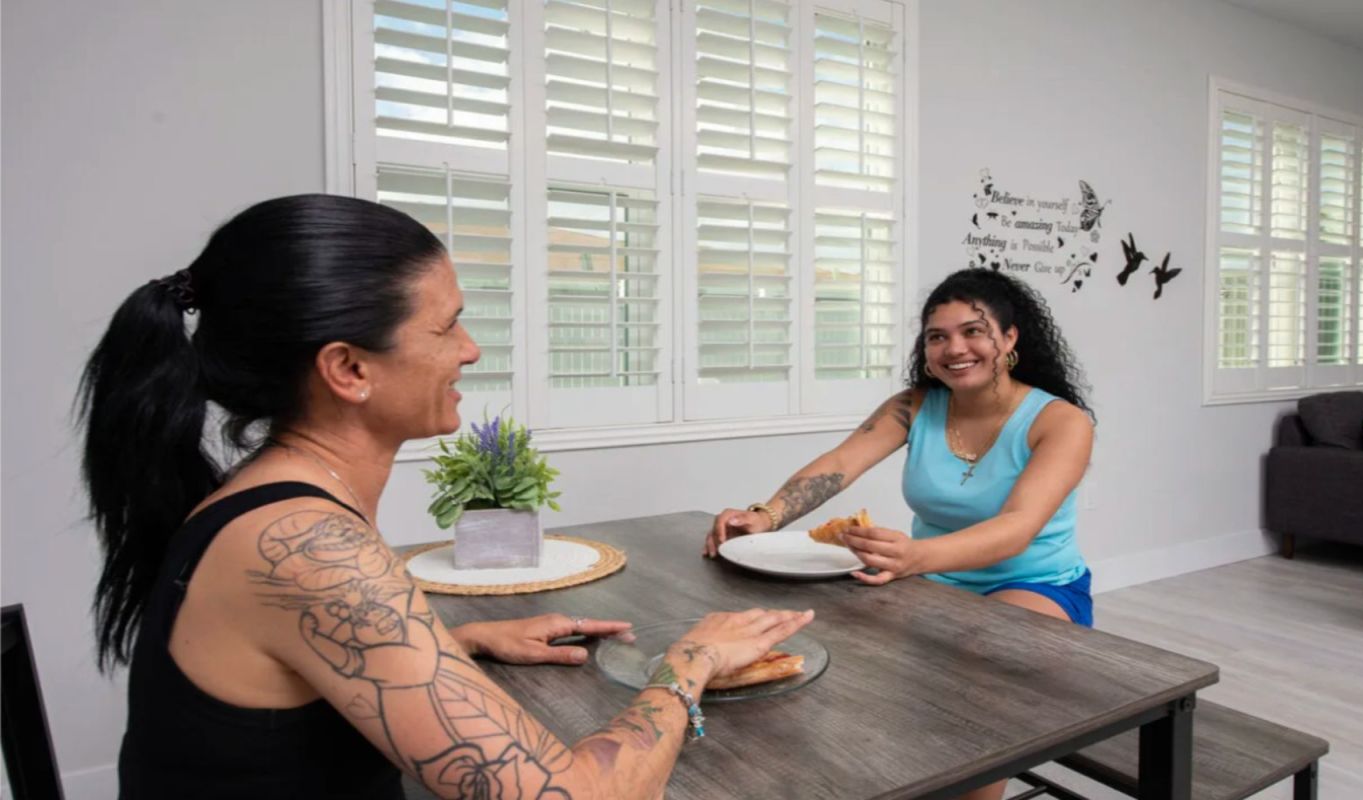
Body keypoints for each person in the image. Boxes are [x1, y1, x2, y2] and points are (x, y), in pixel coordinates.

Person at [78, 194, 813, 800]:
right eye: (446, 324)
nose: (470, 349)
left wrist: (457, 644)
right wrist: (690, 661)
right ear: (348, 369)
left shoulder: (275, 504)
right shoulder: (306, 547)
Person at [707, 268, 1093, 621]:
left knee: (981, 646)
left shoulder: (1062, 422)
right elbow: (841, 463)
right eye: (937, 337)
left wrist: (915, 556)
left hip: (1034, 584)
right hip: (927, 576)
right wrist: (766, 517)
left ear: (1009, 338)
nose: (954, 348)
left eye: (973, 331)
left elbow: (1018, 527)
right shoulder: (913, 406)